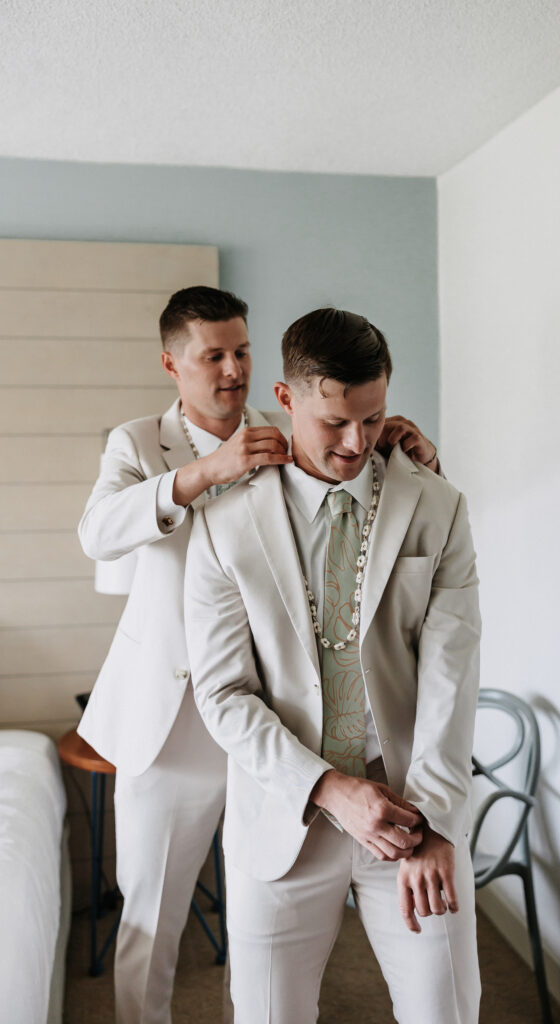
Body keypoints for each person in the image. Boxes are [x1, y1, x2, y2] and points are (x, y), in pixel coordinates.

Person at [77, 287, 438, 1023]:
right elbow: (98, 533)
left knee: (264, 912)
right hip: (170, 722)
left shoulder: (296, 427)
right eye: (213, 354)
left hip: (272, 726)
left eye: (242, 350)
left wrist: (399, 446)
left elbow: (370, 511)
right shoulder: (137, 443)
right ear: (172, 363)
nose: (233, 368)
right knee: (151, 917)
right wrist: (206, 473)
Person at [184, 307, 482, 1023]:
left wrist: (434, 823)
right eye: (335, 424)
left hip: (412, 814)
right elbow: (224, 693)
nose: (357, 444)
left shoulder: (437, 508)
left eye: (373, 420)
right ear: (286, 399)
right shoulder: (224, 524)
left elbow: (451, 672)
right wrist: (327, 789)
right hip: (283, 816)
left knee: (445, 1012)